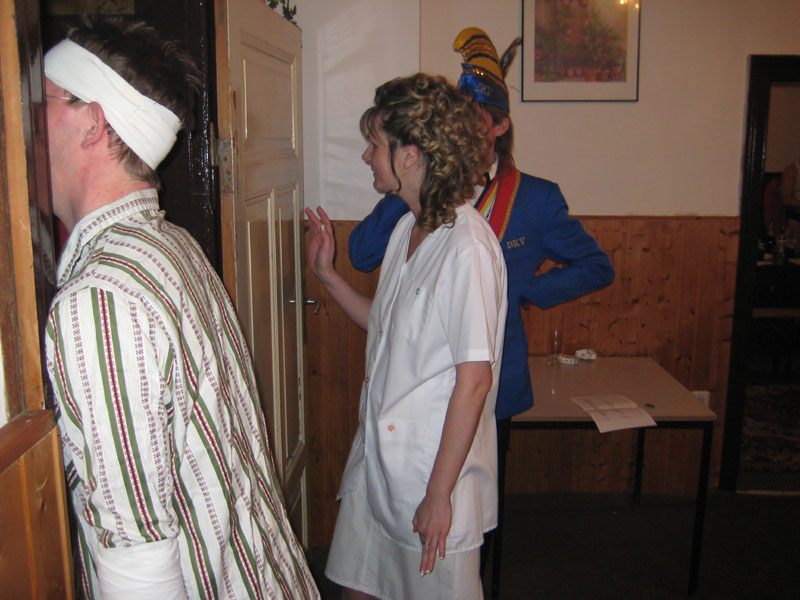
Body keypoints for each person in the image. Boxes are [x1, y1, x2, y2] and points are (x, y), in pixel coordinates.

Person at [42, 18, 318, 599]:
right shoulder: (172, 245)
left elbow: (136, 558)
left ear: (93, 122)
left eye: (42, 102)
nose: (24, 122)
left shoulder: (101, 298)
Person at [349, 26, 614, 449]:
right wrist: (410, 192)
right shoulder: (416, 183)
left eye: (475, 119)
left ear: (501, 125)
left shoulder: (537, 198)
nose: (462, 129)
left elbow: (597, 267)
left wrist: (521, 290)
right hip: (418, 381)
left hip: (494, 377)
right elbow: (361, 255)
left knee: (479, 482)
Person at [306, 73, 507, 600]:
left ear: (411, 155)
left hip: (431, 474)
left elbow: (475, 381)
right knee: (356, 588)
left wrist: (439, 495)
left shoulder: (467, 249)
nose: (367, 156)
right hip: (379, 461)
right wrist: (328, 276)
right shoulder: (408, 229)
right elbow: (385, 323)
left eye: (375, 145)